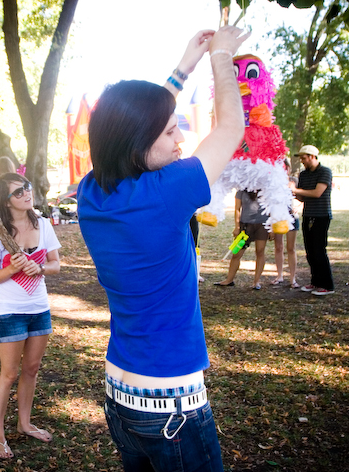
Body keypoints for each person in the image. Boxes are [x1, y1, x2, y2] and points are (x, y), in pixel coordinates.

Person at [76, 26, 250, 472]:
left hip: (120, 396)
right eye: (172, 131)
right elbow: (232, 127)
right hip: (171, 403)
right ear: (138, 142)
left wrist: (182, 68)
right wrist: (221, 57)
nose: (181, 141)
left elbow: (132, 127)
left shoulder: (91, 193)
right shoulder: (165, 192)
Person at [0, 173, 61, 459]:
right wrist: (13, 268)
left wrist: (39, 269)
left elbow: (55, 264)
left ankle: (24, 424)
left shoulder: (43, 224)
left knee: (32, 369)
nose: (27, 193)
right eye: (18, 192)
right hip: (10, 312)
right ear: (5, 202)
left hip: (39, 309)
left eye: (26, 188)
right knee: (9, 374)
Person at [291, 145, 334, 296]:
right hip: (308, 215)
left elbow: (317, 193)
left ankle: (327, 285)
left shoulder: (325, 171)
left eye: (304, 158)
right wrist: (291, 191)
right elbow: (302, 196)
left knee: (319, 250)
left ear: (312, 157)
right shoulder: (303, 175)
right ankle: (315, 281)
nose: (302, 161)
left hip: (321, 215)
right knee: (310, 251)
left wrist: (296, 190)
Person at [214, 190, 272, 289]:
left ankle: (256, 282)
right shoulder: (241, 190)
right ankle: (229, 280)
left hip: (262, 224)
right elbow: (237, 209)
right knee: (236, 253)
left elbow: (271, 207)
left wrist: (272, 227)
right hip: (245, 225)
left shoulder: (265, 188)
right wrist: (237, 227)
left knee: (260, 251)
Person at [273, 157, 300, 288]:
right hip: (278, 218)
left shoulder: (294, 181)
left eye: (285, 168)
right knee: (278, 247)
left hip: (292, 218)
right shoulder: (273, 182)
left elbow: (301, 197)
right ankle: (280, 276)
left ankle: (292, 278)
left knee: (291, 248)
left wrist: (298, 205)